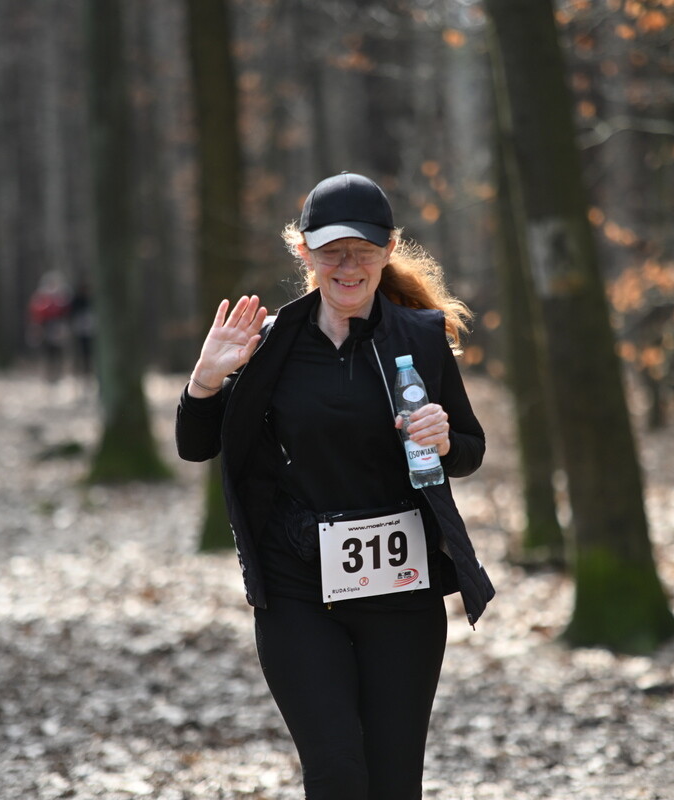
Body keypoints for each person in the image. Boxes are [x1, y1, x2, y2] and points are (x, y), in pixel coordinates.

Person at [176, 172, 494, 799]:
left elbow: (470, 453)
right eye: (332, 251)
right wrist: (206, 380)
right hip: (298, 585)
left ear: (389, 250)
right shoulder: (269, 345)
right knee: (337, 773)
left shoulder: (420, 338)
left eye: (365, 251)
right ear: (304, 253)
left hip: (403, 587)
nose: (348, 266)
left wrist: (444, 436)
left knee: (393, 781)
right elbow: (196, 446)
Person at [28, 270, 69, 382]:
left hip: (57, 326)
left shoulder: (61, 296)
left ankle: (58, 373)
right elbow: (36, 312)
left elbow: (65, 311)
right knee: (47, 351)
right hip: (45, 326)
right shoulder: (41, 297)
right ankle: (48, 374)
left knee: (57, 351)